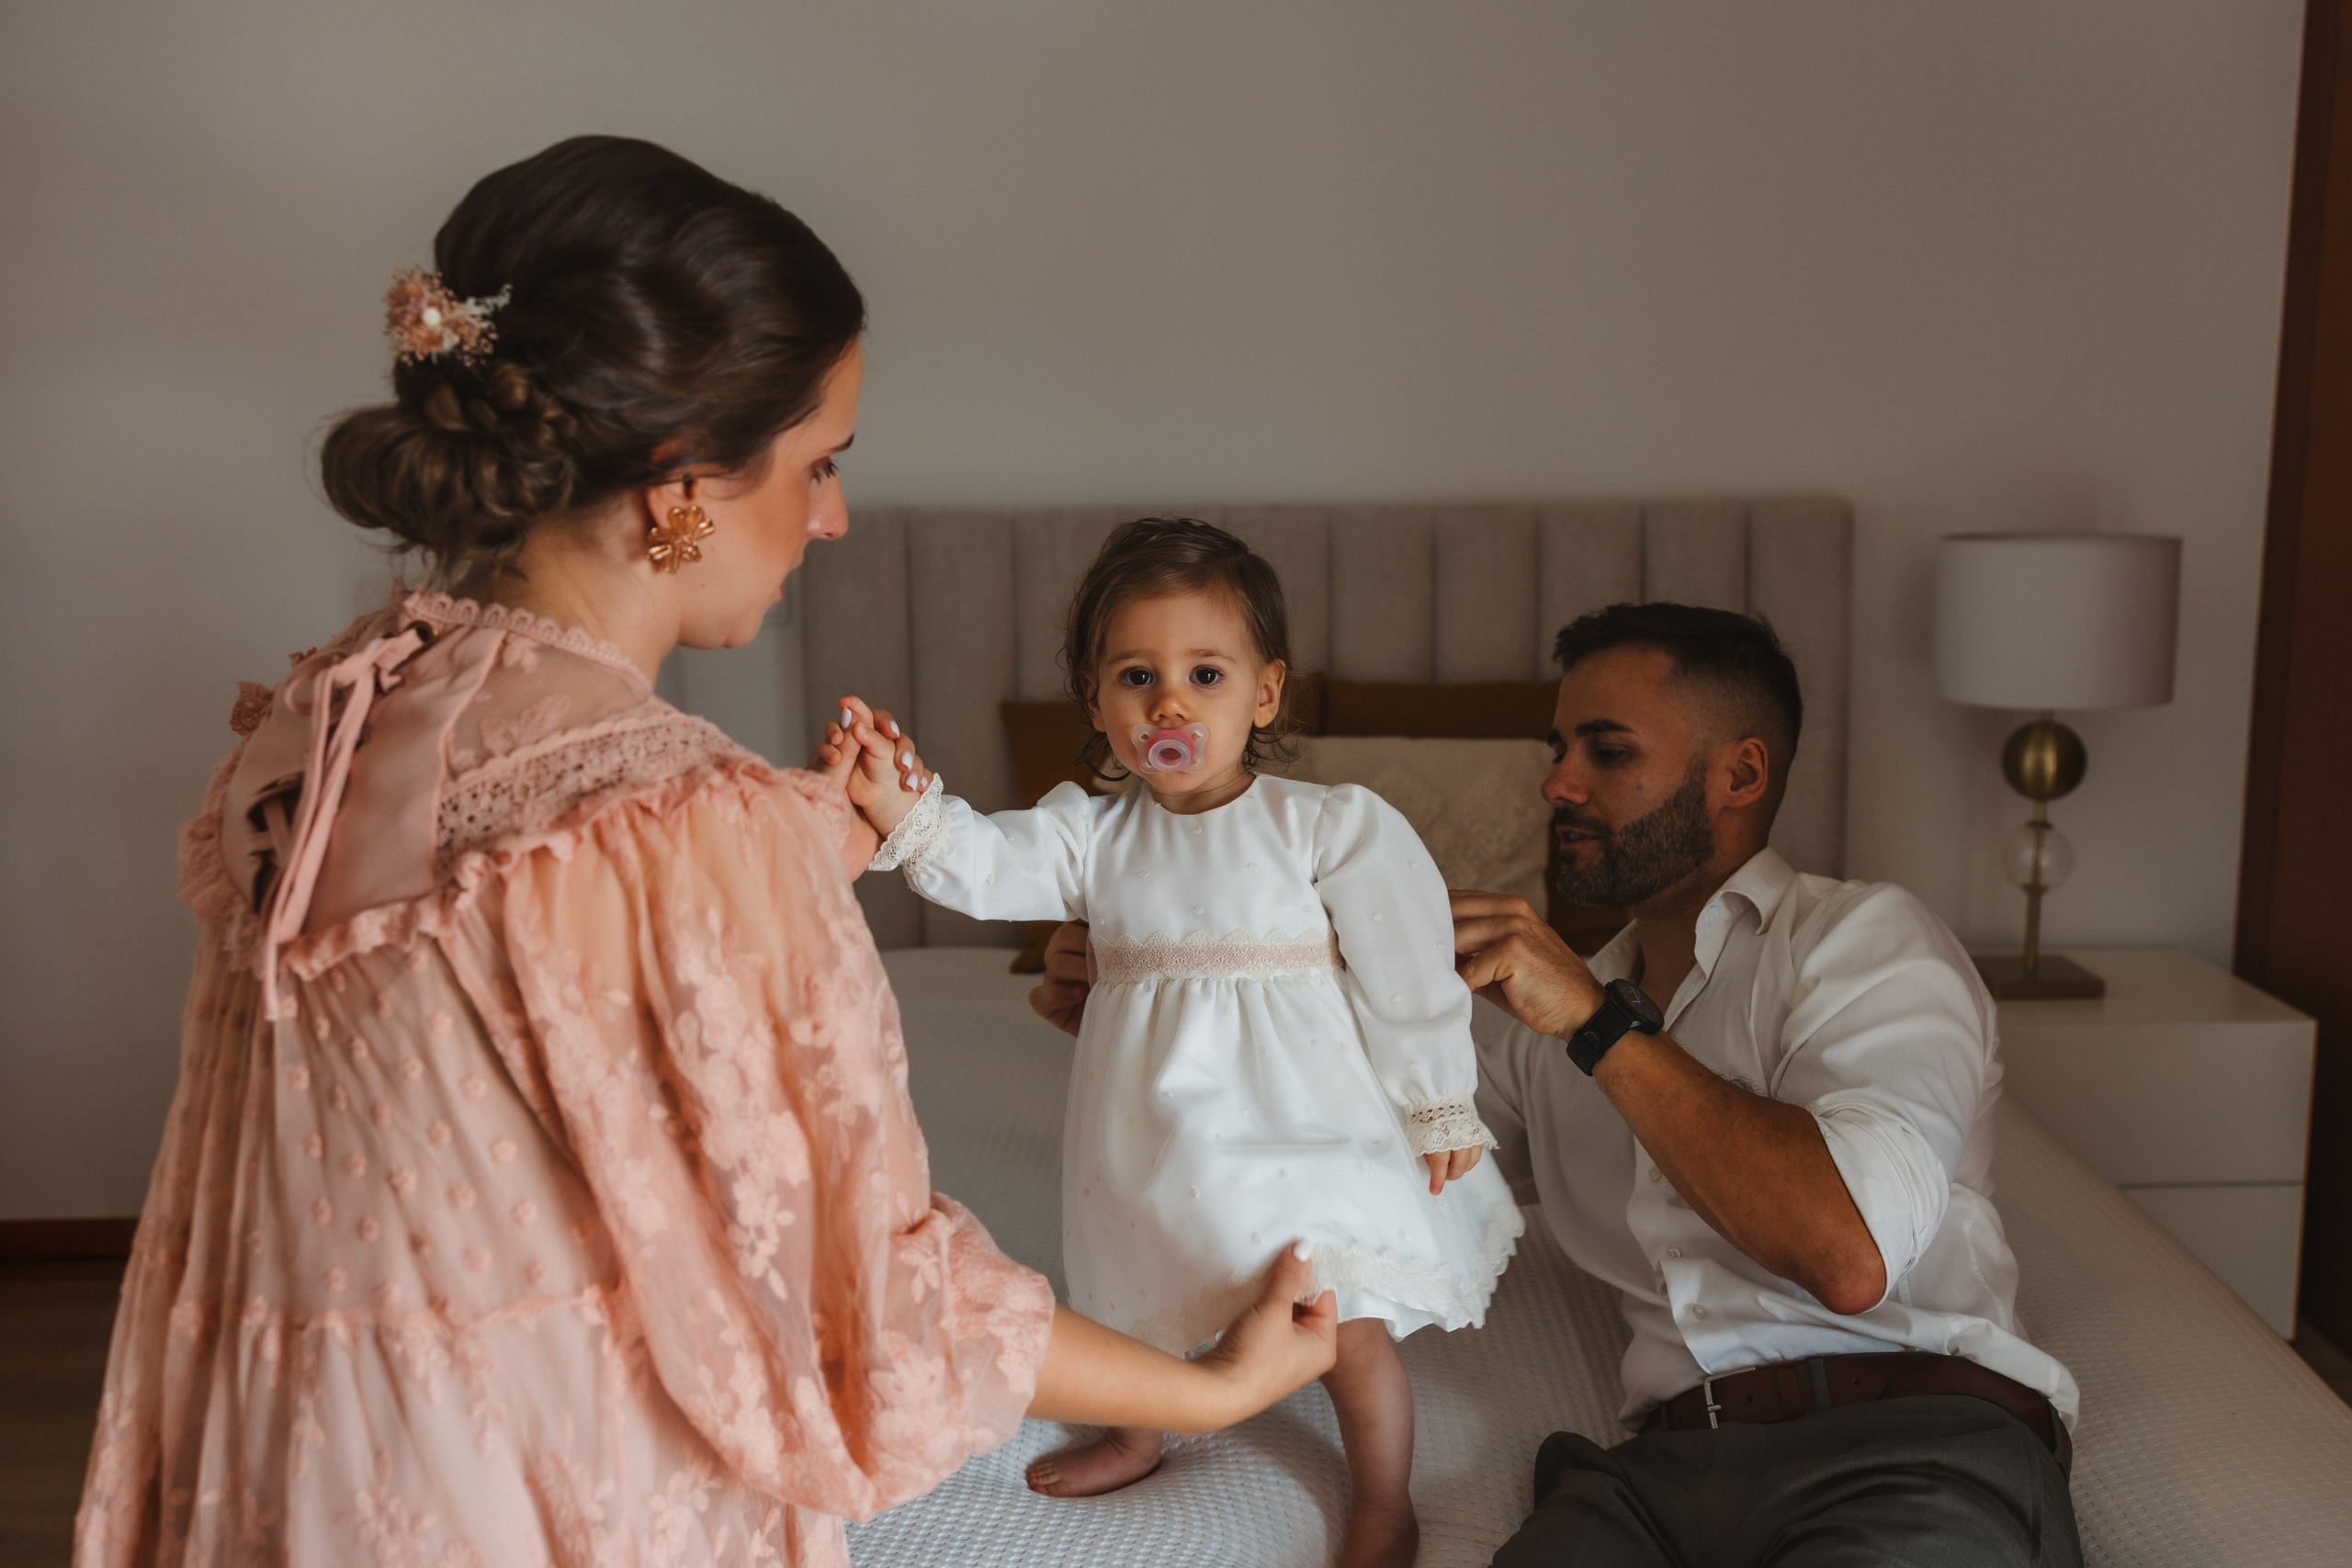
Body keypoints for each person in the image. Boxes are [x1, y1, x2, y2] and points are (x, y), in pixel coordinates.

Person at [73, 137, 1337, 1568]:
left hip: (282, 1445)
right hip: (517, 1474)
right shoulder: (674, 821)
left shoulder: (338, 702)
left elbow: (500, 951)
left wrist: (788, 846)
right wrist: (1217, 1383)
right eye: (820, 462)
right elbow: (860, 1293)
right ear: (681, 487)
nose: (835, 515)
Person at [1035, 601, 2085, 1567]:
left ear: (1740, 775)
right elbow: (1348, 1166)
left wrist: (1594, 1020)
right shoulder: (1537, 1029)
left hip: (1913, 1444)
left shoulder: (1865, 943)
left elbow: (1846, 1254)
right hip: (1652, 1483)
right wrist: (1159, 999)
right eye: (1557, 748)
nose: (1557, 785)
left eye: (1606, 751)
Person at [837, 517, 1521, 1568]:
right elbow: (981, 862)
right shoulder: (1092, 834)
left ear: (1266, 692)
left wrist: (1436, 1097)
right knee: (1130, 1268)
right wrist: (900, 802)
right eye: (1134, 676)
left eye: (1205, 673)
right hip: (1153, 1118)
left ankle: (1384, 1493)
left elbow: (1407, 963)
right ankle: (1135, 1425)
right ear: (1097, 705)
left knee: (1336, 1306)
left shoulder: (1325, 824)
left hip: (1308, 1118)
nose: (1169, 703)